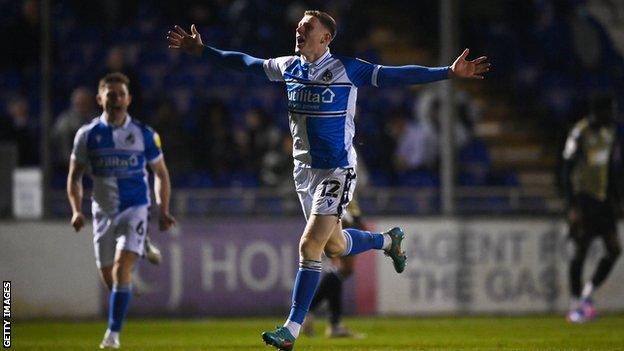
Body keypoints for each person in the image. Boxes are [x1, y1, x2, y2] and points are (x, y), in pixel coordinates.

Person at [167, 10, 489, 350]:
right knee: (335, 246)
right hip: (303, 172)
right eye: (299, 26)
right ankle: (388, 241)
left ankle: (290, 329)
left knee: (310, 246)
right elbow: (247, 62)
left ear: (326, 38)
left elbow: (397, 75)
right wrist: (203, 50)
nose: (300, 30)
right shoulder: (288, 66)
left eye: (308, 26)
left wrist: (449, 73)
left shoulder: (346, 69)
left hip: (337, 170)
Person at [66, 72, 176, 348]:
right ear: (99, 98)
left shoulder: (144, 134)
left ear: (129, 99)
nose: (115, 99)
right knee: (110, 279)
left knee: (119, 271)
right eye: (110, 94)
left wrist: (163, 209)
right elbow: (74, 176)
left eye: (120, 94)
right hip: (102, 212)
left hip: (135, 209)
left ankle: (112, 335)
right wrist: (76, 210)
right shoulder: (87, 135)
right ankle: (139, 253)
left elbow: (160, 173)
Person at [562, 93, 622, 323]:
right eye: (609, 110)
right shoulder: (580, 132)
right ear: (599, 112)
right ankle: (575, 305)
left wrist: (616, 199)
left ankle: (587, 294)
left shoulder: (611, 132)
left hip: (603, 200)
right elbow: (566, 169)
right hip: (583, 199)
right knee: (579, 252)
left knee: (614, 250)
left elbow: (611, 168)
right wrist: (571, 205)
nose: (612, 115)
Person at [303, 197, 367, 338]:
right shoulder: (343, 176)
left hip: (337, 216)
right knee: (343, 269)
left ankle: (332, 322)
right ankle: (312, 313)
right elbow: (346, 198)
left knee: (340, 271)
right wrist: (354, 222)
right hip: (341, 217)